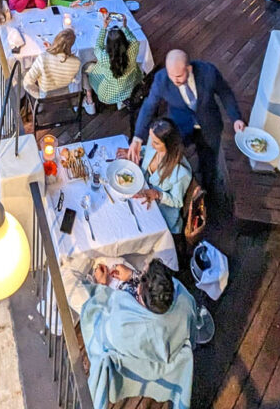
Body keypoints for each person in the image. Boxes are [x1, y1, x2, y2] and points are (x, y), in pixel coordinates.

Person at [80, 258, 197, 409]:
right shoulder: (184, 298)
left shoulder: (122, 326)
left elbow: (96, 322)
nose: (140, 271)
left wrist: (101, 286)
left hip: (137, 365)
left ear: (139, 291)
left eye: (142, 272)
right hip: (170, 358)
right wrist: (133, 276)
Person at [128, 49, 245, 199]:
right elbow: (148, 106)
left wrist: (236, 118)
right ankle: (177, 194)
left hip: (209, 125)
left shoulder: (208, 72)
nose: (174, 80)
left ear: (188, 68)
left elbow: (225, 93)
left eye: (179, 76)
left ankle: (208, 193)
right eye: (171, 75)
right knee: (173, 157)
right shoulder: (162, 79)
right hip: (180, 127)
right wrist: (137, 137)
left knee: (209, 161)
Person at [136, 118, 193, 234]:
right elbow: (146, 149)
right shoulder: (154, 142)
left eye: (156, 143)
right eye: (151, 138)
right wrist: (135, 151)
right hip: (143, 192)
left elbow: (177, 201)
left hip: (161, 214)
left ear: (169, 145)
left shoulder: (182, 173)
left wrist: (158, 194)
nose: (151, 144)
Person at [85, 8, 142, 108]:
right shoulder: (134, 46)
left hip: (108, 95)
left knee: (86, 67)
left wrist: (104, 28)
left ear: (109, 45)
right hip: (130, 86)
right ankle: (123, 100)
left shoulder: (105, 57)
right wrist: (124, 26)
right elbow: (132, 38)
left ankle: (88, 97)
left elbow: (97, 47)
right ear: (124, 40)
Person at [23, 29, 82, 99]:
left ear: (56, 40)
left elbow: (27, 82)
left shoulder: (43, 58)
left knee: (25, 71)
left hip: (45, 99)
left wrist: (38, 96)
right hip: (65, 98)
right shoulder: (76, 62)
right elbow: (77, 80)